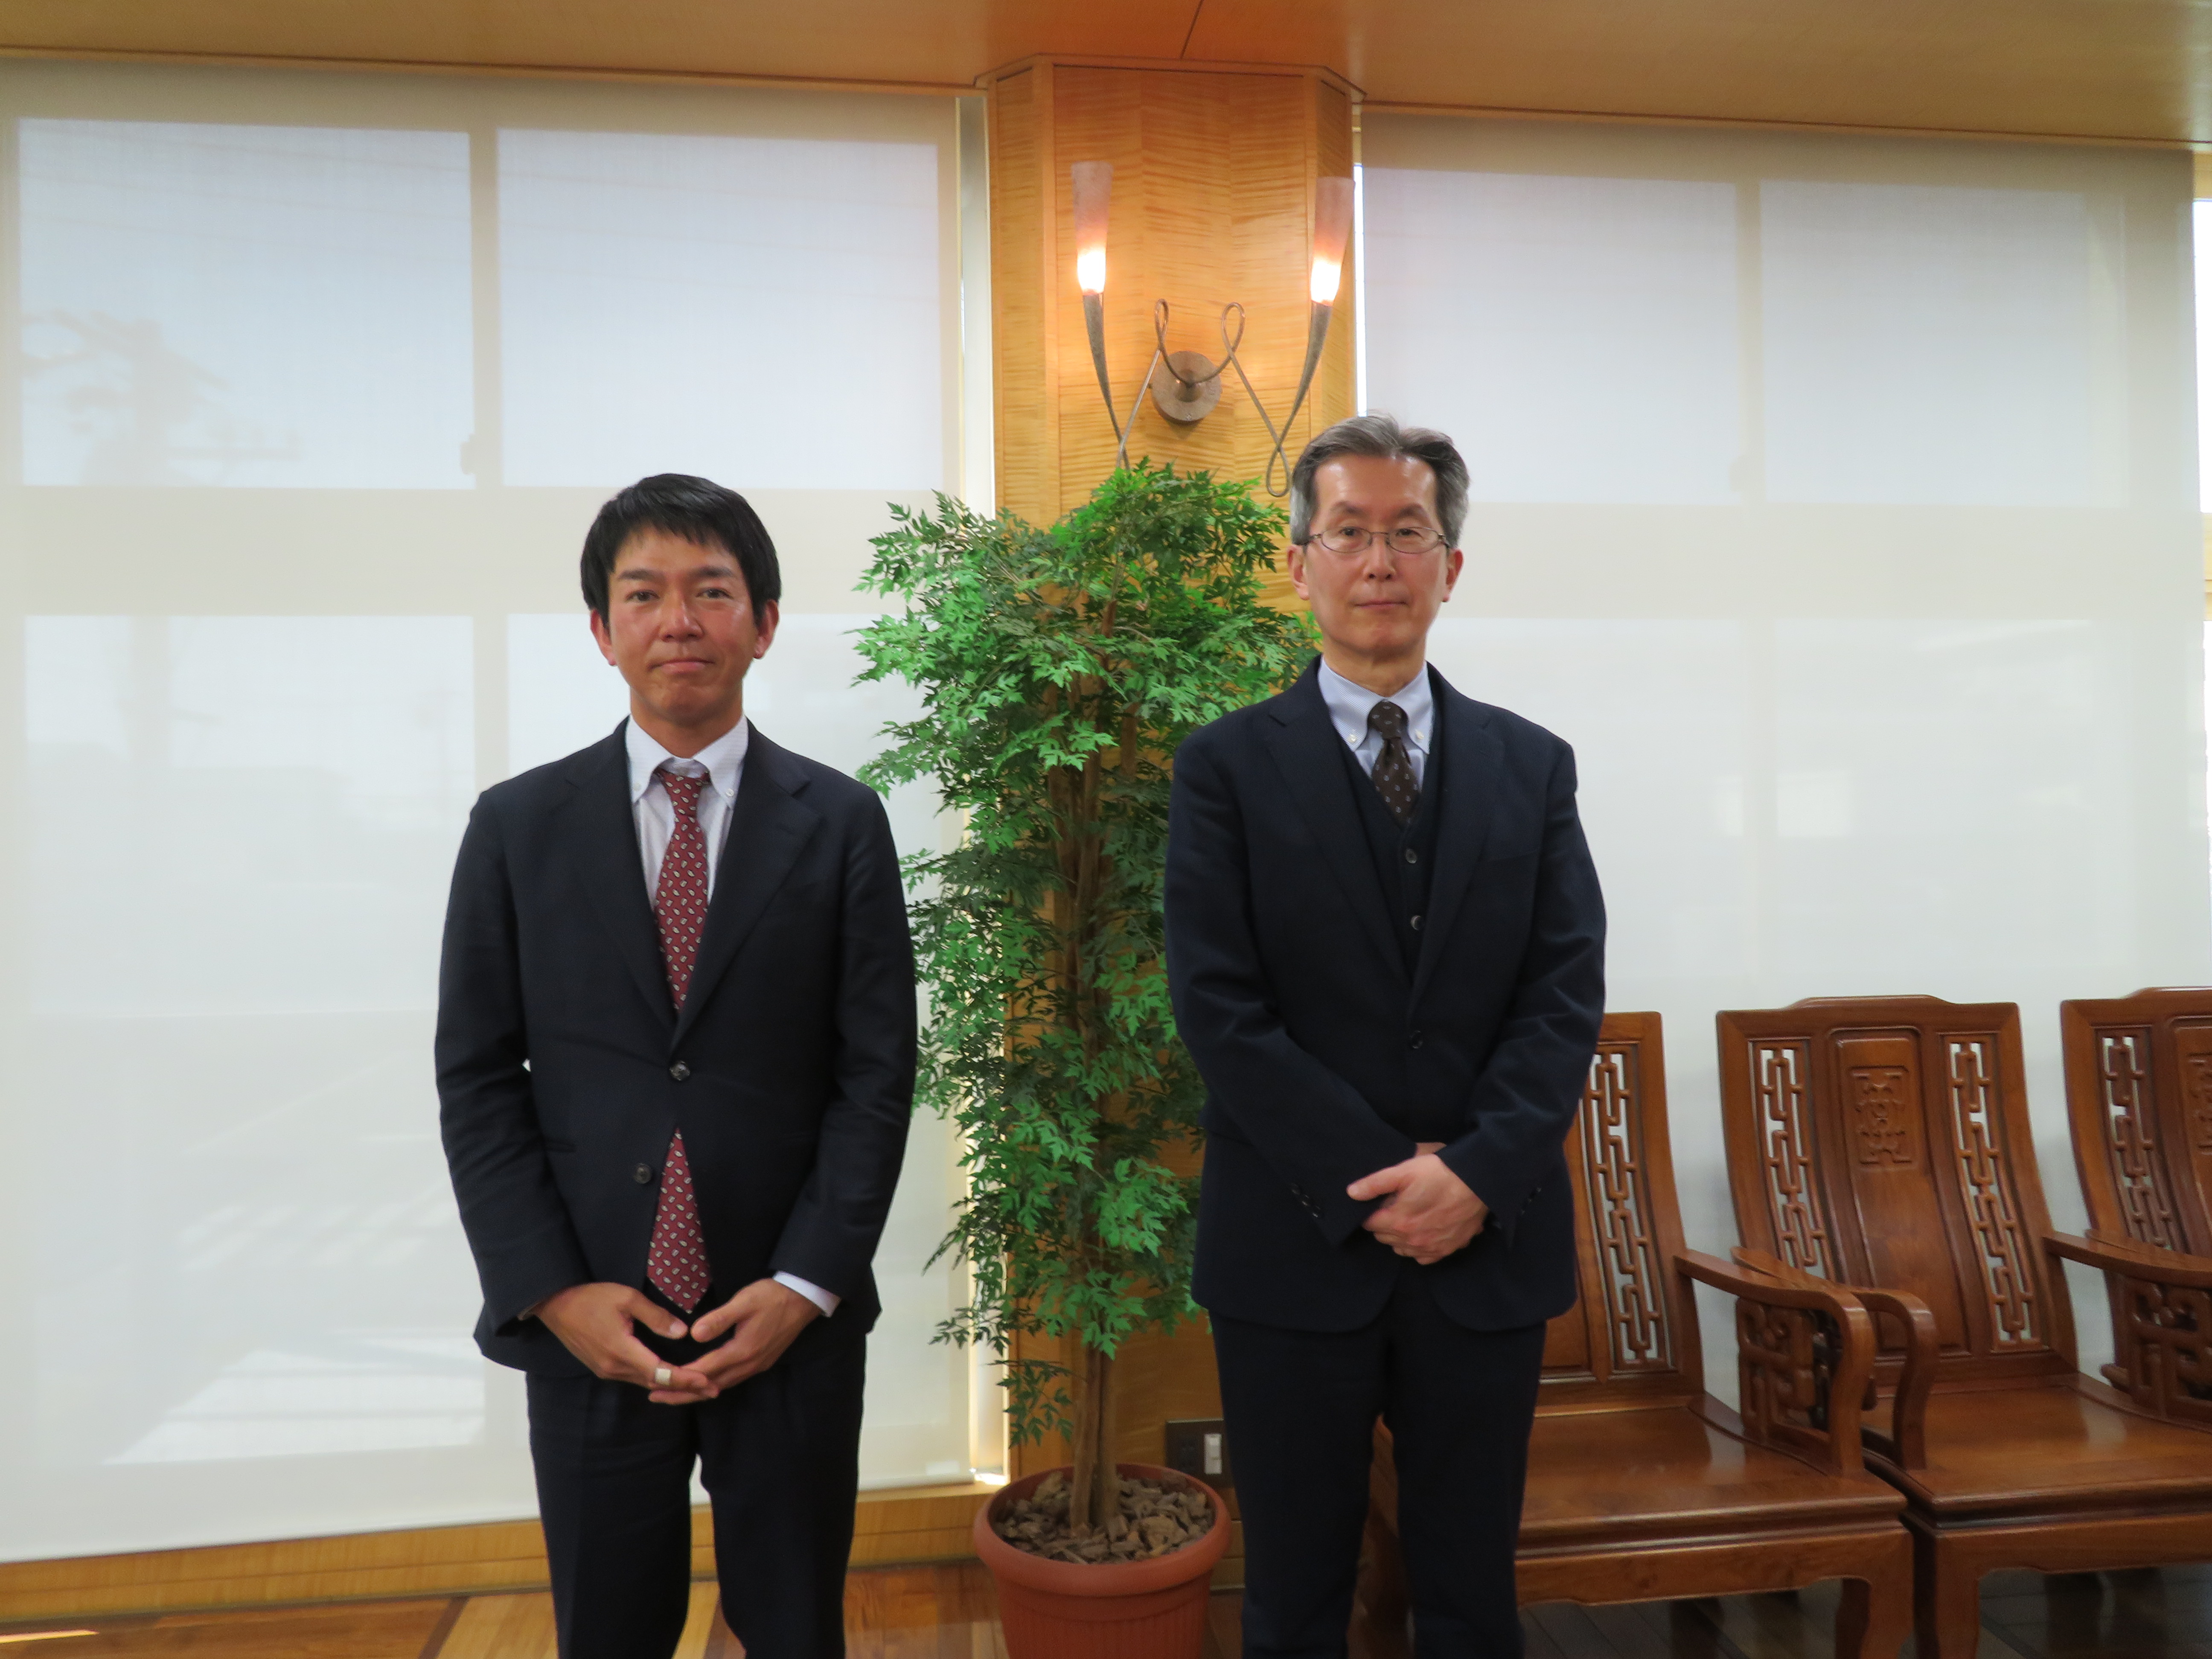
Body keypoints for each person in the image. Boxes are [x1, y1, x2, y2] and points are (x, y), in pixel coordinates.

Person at [436, 473, 917, 1659]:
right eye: (644, 594)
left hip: (783, 1318)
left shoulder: (842, 822)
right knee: (609, 1628)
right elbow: (479, 1077)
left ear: (765, 621)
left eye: (712, 591)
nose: (679, 621)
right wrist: (553, 1293)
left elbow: (875, 1074)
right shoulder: (517, 827)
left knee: (797, 1627)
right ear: (603, 631)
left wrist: (805, 1284)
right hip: (593, 1314)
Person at [1164, 416, 1605, 1658]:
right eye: (1347, 532)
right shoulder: (1223, 770)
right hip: (1292, 1241)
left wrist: (1474, 1175)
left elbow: (1564, 992)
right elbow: (1219, 1007)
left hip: (1485, 1238)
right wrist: (1376, 1179)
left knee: (1471, 1594)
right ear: (1298, 562)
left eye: (1407, 533)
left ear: (1449, 566)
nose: (1377, 561)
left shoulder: (1534, 766)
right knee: (1294, 1595)